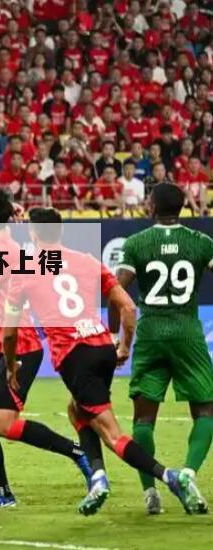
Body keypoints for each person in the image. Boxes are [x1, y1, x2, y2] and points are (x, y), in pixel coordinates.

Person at [2, 207, 203, 516]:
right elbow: (128, 307)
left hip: (74, 355)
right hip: (101, 347)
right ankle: (97, 477)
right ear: (61, 231)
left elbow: (9, 332)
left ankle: (170, 477)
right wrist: (123, 346)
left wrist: (11, 364)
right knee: (77, 410)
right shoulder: (86, 260)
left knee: (112, 434)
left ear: (32, 234)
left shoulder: (26, 270)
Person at [0, 187, 91, 509]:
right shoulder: (4, 247)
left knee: (3, 424)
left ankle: (77, 452)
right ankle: (2, 493)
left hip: (19, 346)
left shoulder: (2, 252)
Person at [113, 183, 212, 515]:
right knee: (206, 411)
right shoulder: (201, 242)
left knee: (144, 418)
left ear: (152, 207)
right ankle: (187, 474)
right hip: (188, 332)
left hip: (150, 332)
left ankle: (151, 493)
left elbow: (116, 290)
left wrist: (117, 338)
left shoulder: (136, 243)